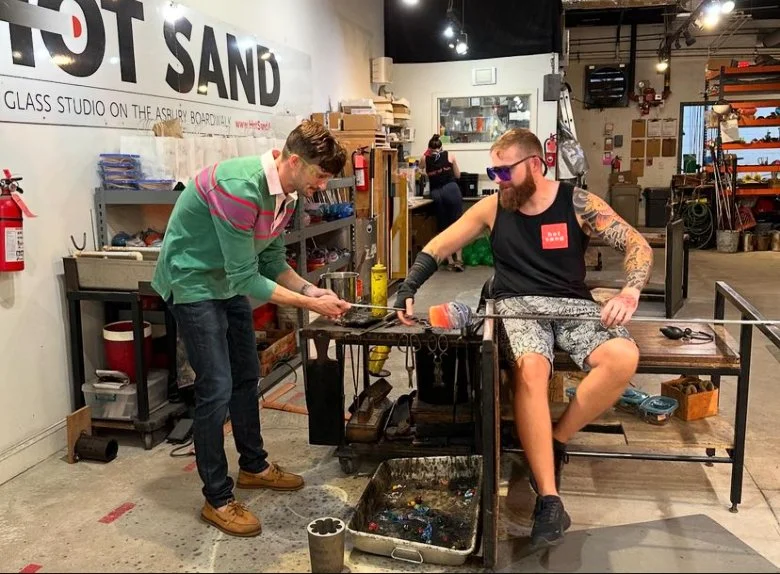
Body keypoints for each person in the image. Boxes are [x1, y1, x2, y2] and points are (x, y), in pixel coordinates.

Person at [395, 128, 651, 549]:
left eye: (504, 169)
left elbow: (635, 243)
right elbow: (441, 243)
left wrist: (630, 289)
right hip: (516, 303)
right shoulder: (493, 207)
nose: (498, 178)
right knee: (532, 369)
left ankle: (556, 439)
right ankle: (549, 498)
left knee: (623, 356)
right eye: (493, 170)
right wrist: (409, 287)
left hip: (571, 304)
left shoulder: (579, 202)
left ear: (535, 164)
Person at [152, 121, 352, 537]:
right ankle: (218, 498)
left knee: (247, 374)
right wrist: (309, 304)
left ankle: (254, 466)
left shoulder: (289, 195)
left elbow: (272, 261)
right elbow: (247, 278)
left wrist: (312, 288)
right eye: (320, 175)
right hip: (191, 280)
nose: (322, 185)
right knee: (217, 385)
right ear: (294, 161)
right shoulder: (240, 189)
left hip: (225, 279)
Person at [424, 134, 464, 271]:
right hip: (451, 189)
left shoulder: (425, 158)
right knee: (458, 226)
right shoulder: (450, 156)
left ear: (429, 148)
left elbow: (421, 169)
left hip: (436, 193)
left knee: (443, 227)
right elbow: (458, 175)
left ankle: (449, 260)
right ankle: (459, 259)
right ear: (442, 146)